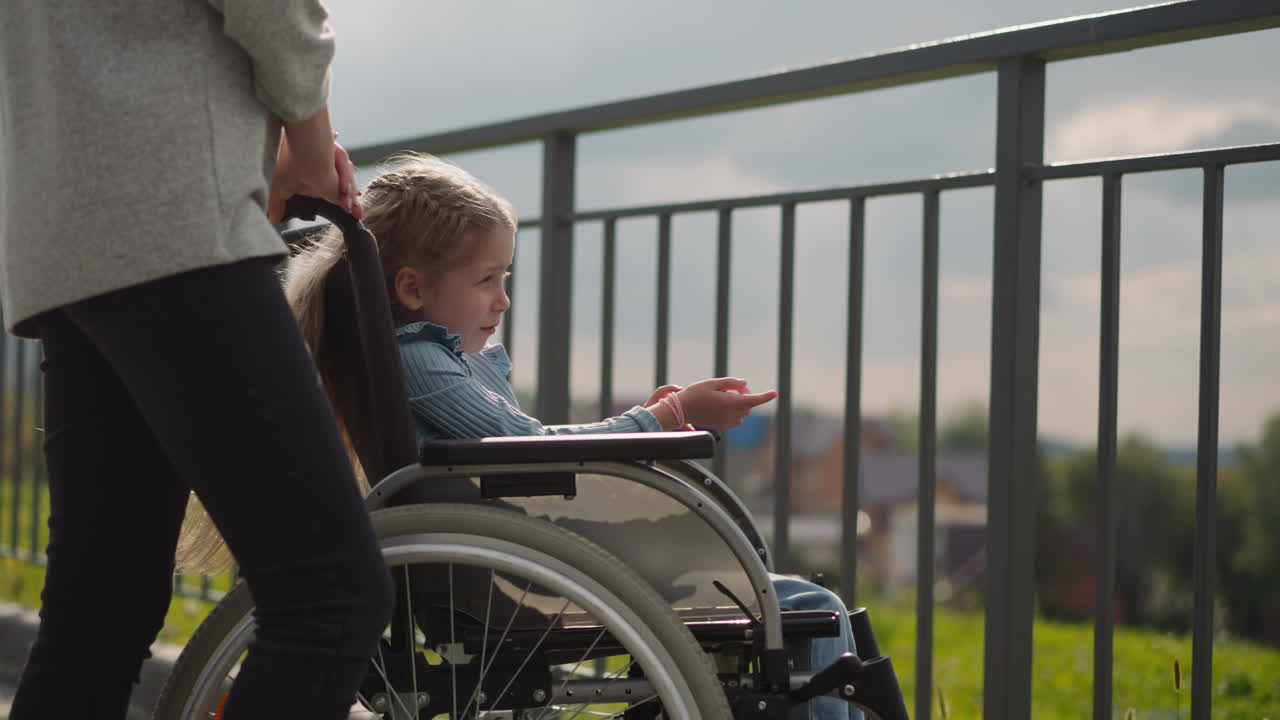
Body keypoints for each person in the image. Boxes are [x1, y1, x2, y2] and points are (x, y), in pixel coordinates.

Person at [283, 153, 863, 720]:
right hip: (520, 581)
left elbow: (519, 444)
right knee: (816, 608)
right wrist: (667, 417)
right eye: (486, 279)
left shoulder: (417, 360)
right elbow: (523, 442)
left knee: (793, 603)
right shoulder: (421, 362)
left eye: (504, 277)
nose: (502, 299)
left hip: (509, 568)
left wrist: (655, 417)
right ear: (410, 289)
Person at [0, 1, 394, 718]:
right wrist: (309, 147)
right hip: (174, 221)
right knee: (329, 597)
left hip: (69, 226)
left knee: (97, 623)